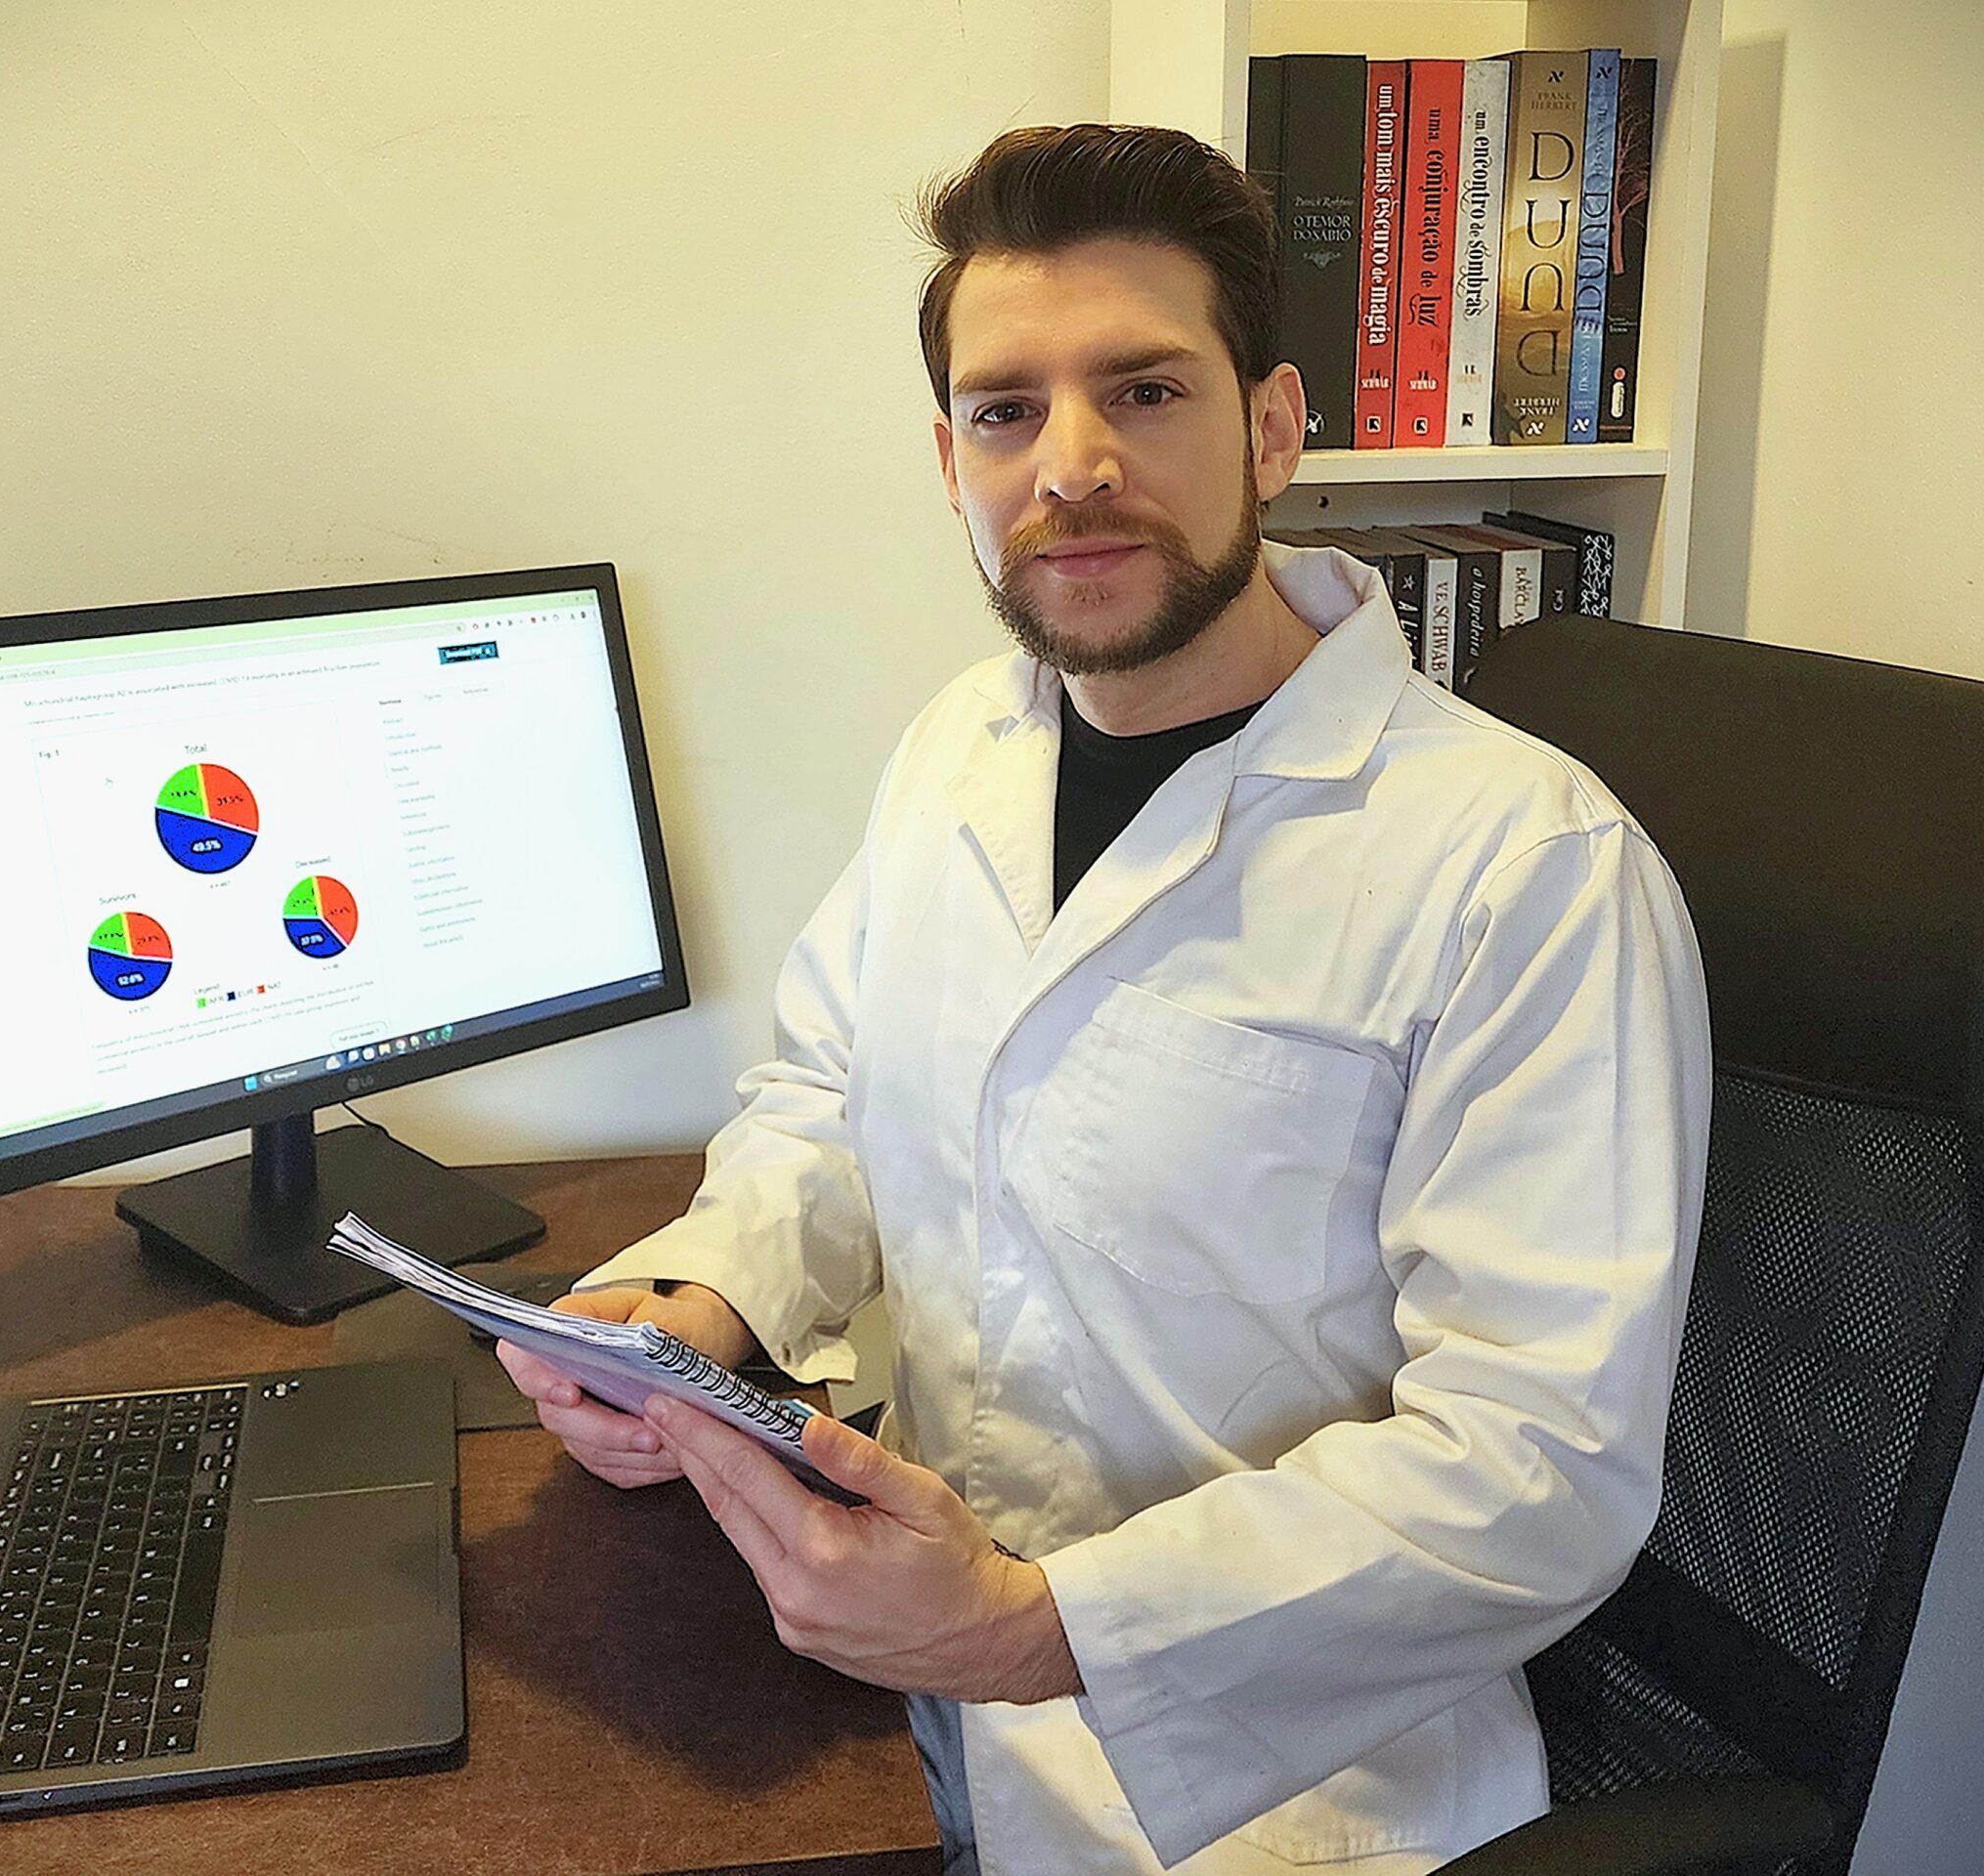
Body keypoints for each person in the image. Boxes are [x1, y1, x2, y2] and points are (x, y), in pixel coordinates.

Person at [497, 123, 1710, 1875]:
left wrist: (1025, 1628)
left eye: (1143, 392)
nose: (1071, 466)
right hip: (892, 1676)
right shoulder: (960, 747)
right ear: (952, 462)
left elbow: (1540, 1468)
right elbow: (833, 1095)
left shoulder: (1527, 867)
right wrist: (709, 1300)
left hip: (1273, 1790)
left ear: (1272, 429)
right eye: (1008, 413)